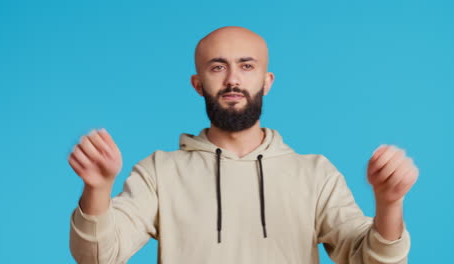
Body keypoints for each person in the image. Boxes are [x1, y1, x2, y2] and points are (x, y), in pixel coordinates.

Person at [68, 26, 418, 264]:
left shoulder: (315, 174)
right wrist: (97, 190)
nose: (233, 79)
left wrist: (389, 204)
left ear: (267, 82)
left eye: (246, 66)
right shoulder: (159, 171)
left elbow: (372, 260)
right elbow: (99, 256)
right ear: (197, 83)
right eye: (218, 67)